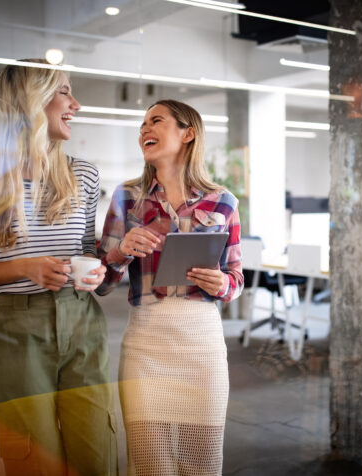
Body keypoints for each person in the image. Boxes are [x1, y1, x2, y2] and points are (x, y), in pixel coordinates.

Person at [0, 60, 118, 476]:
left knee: (96, 447)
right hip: (15, 327)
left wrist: (97, 269)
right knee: (31, 456)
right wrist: (24, 269)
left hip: (82, 320)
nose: (75, 104)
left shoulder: (84, 173)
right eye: (64, 92)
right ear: (30, 102)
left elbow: (85, 250)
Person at [98, 99, 243, 475]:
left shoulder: (223, 201)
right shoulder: (126, 197)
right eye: (142, 124)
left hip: (203, 345)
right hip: (147, 343)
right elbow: (101, 280)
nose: (144, 129)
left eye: (156, 121)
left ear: (188, 133)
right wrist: (120, 252)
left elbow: (236, 279)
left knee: (202, 461)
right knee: (149, 461)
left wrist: (222, 283)